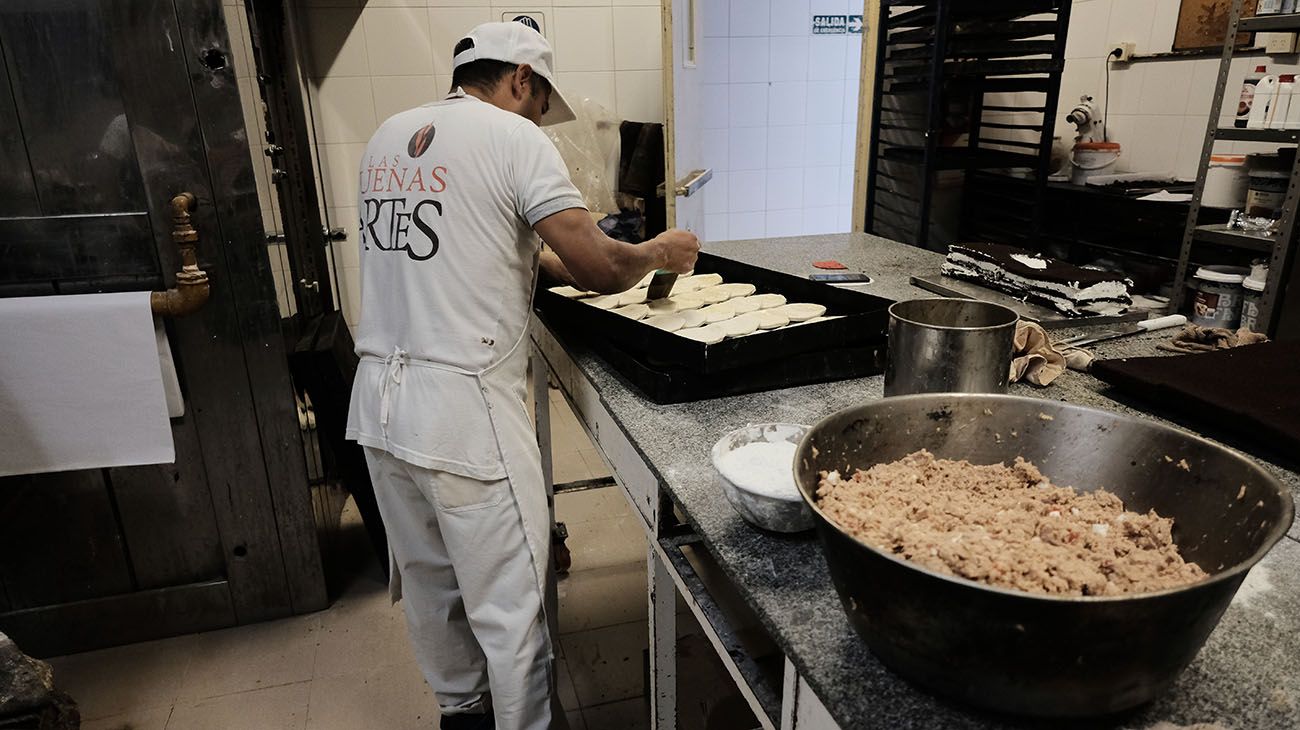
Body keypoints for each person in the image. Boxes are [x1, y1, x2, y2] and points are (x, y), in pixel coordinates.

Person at [344, 21, 699, 730]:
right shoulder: (514, 138)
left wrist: (577, 258)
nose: (543, 118)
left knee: (431, 589)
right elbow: (600, 266)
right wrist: (659, 249)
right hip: (464, 417)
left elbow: (492, 248)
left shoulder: (389, 137)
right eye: (542, 102)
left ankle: (461, 716)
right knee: (513, 615)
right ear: (522, 80)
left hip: (381, 411)